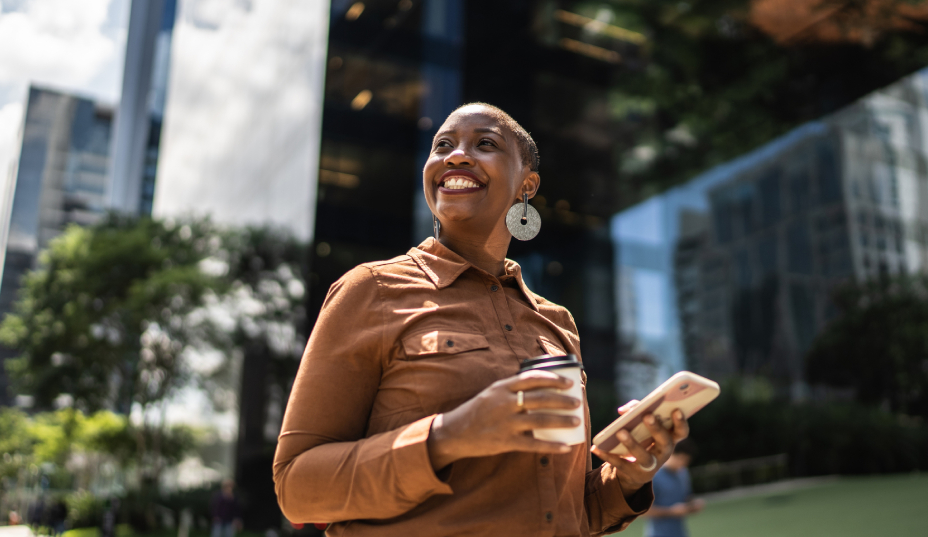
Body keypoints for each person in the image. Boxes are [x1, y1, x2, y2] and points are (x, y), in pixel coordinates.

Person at [273, 102, 692, 537]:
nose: (455, 156)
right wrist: (449, 436)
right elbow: (296, 488)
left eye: (485, 144)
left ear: (526, 185)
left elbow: (565, 513)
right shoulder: (370, 291)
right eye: (442, 146)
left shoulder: (557, 323)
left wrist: (626, 478)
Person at [645, 439, 705, 537]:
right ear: (671, 453)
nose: (683, 463)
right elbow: (643, 512)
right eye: (681, 459)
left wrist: (693, 505)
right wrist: (670, 512)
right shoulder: (654, 476)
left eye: (687, 461)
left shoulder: (683, 473)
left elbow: (686, 497)